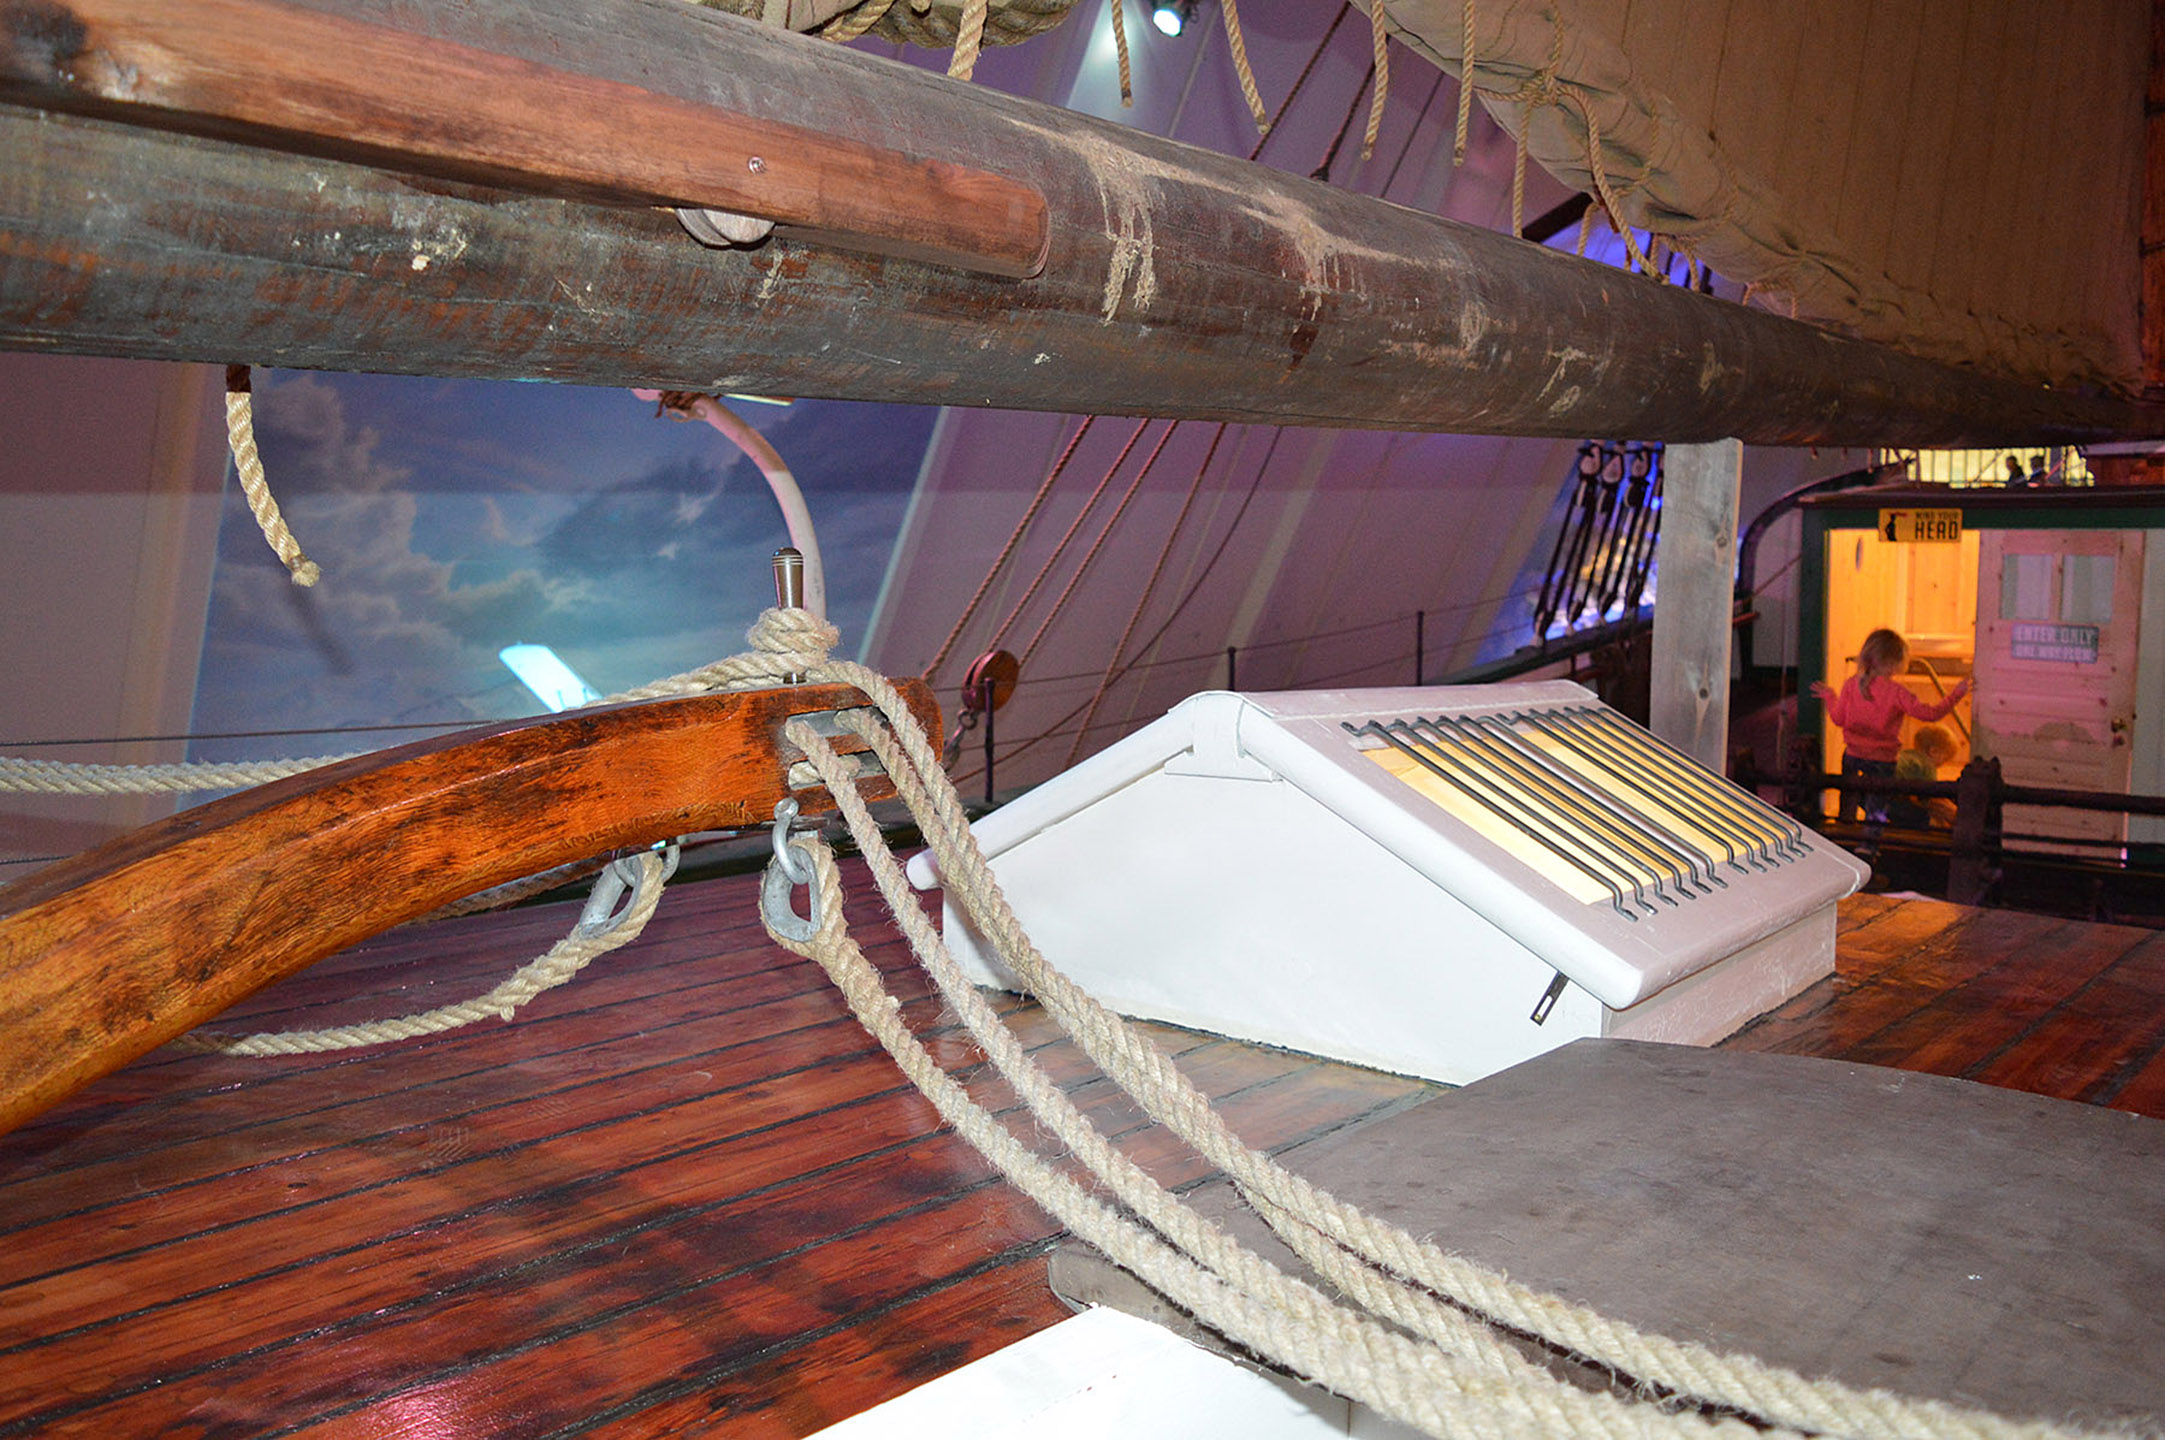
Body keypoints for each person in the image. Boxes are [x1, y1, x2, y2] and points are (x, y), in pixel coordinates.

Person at [1810, 629, 1971, 832]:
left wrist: (1830, 697)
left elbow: (1838, 719)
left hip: (1852, 755)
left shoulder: (1851, 685)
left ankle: (1844, 834)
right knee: (1877, 805)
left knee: (1848, 798)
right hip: (1882, 760)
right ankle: (1869, 843)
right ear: (1897, 661)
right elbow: (1930, 714)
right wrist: (1956, 695)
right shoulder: (1897, 693)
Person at [1890, 723, 1959, 828]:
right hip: (1892, 797)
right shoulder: (1926, 765)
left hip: (1876, 788)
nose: (1941, 765)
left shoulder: (1906, 755)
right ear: (1933, 751)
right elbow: (1930, 794)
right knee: (1925, 817)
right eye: (1944, 759)